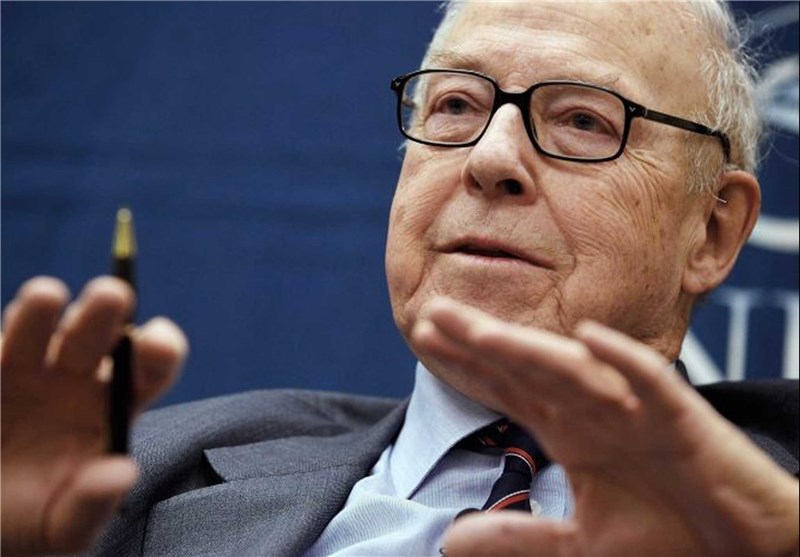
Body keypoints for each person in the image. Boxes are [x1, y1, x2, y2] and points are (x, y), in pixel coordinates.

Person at [2, 1, 798, 556]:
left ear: (713, 229)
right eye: (456, 105)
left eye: (583, 119)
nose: (490, 157)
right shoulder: (128, 481)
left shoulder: (774, 517)